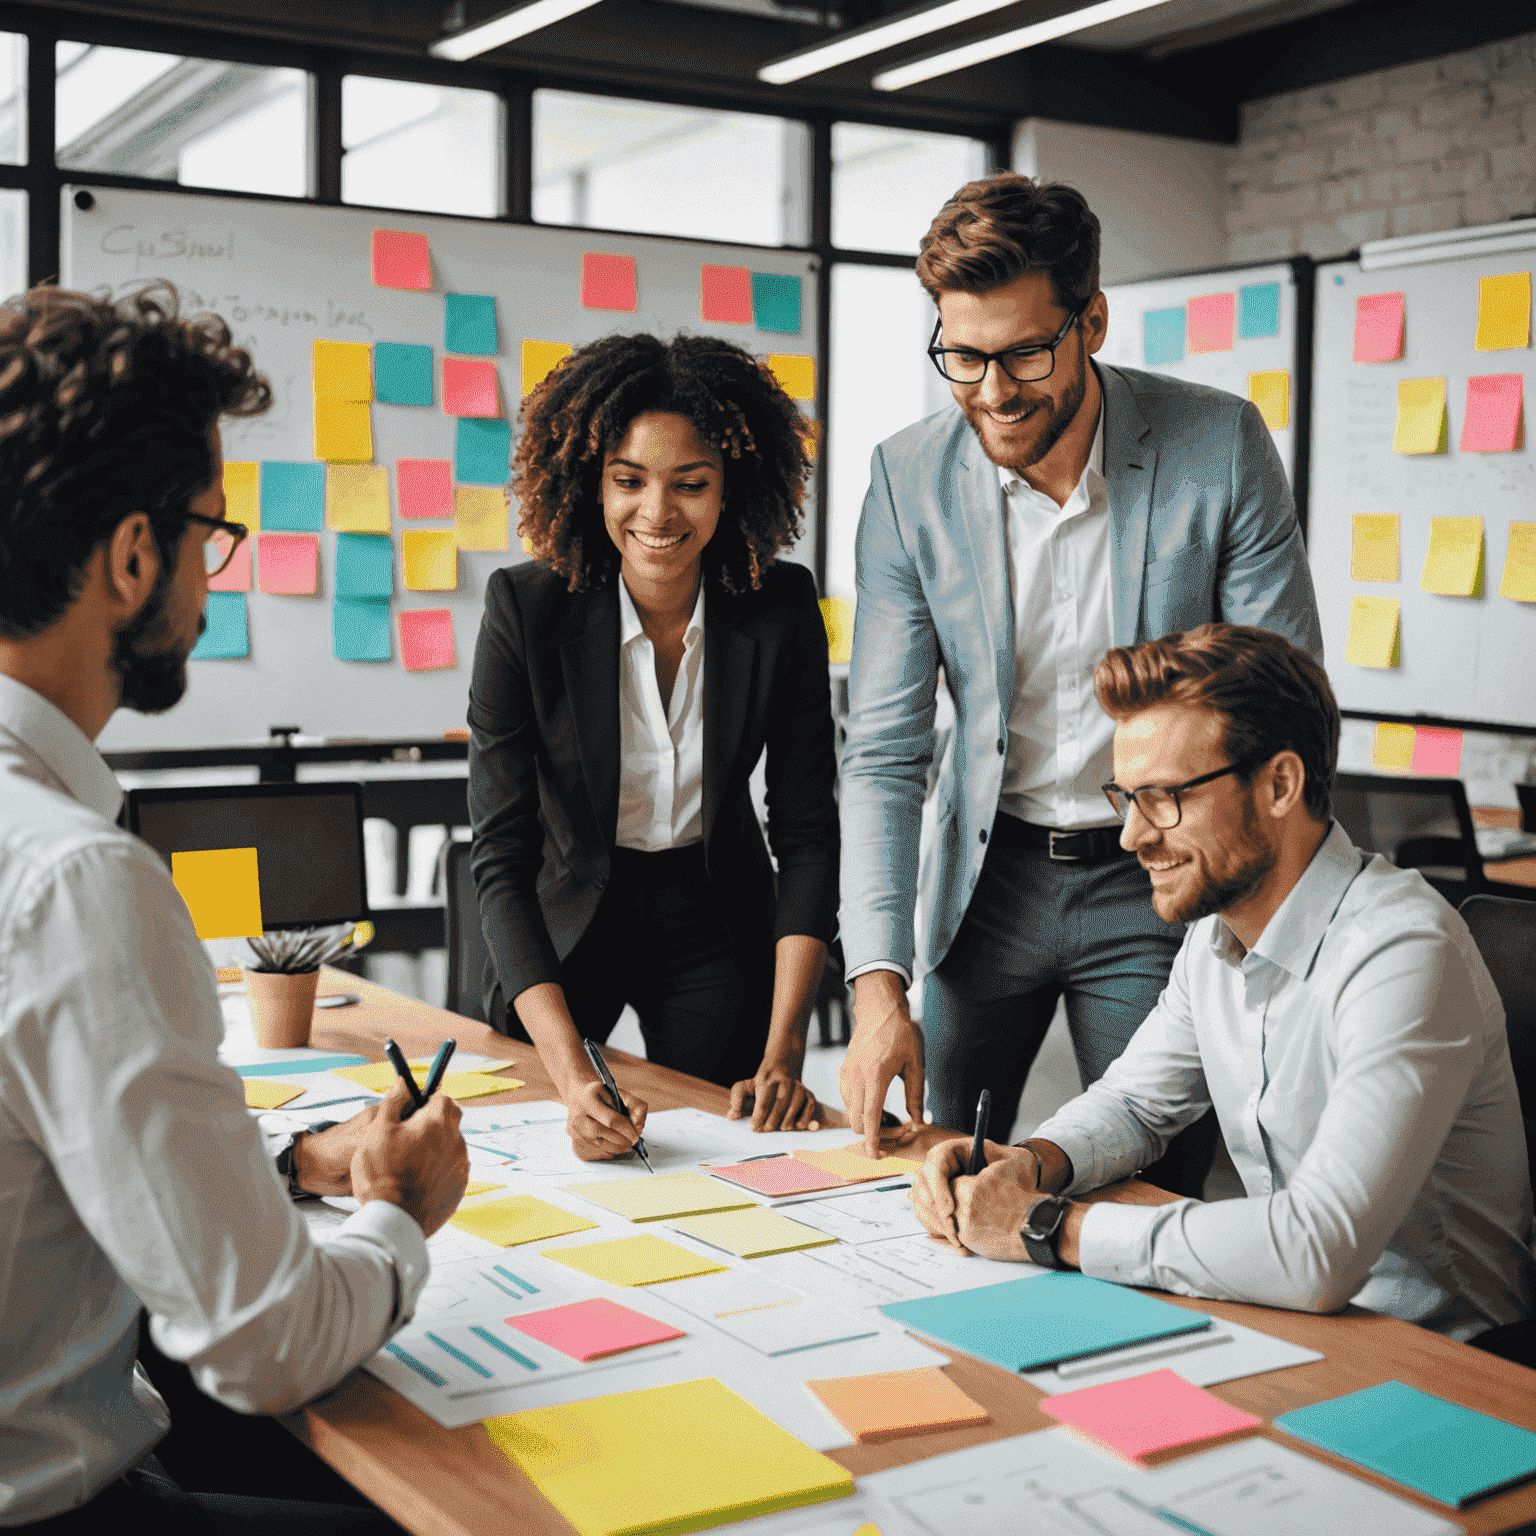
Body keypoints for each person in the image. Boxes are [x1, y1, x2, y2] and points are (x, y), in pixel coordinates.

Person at [0, 284, 470, 1532]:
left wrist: (279, 1164)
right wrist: (398, 1214)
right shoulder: (73, 879)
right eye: (212, 535)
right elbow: (264, 1344)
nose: (213, 581)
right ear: (132, 555)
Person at [837, 172, 1324, 1172]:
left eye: (1024, 351)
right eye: (961, 357)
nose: (993, 391)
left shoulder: (1216, 447)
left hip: (1154, 872)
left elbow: (1285, 705)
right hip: (988, 882)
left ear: (1090, 320)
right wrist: (877, 984)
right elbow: (885, 754)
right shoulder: (906, 480)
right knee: (933, 1167)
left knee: (1153, 1179)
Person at [911, 624, 1535, 1339]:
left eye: (1165, 798)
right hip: (1290, 1323)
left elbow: (1317, 1249)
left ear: (1279, 784)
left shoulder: (1402, 953)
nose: (1131, 837)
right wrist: (1026, 1165)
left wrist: (1048, 1226)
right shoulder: (1217, 936)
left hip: (1447, 1363)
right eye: (1127, 798)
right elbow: (1136, 1106)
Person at [469, 333, 839, 1160]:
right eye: (628, 481)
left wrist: (786, 1053)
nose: (658, 514)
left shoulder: (779, 607)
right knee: (537, 1143)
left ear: (730, 489)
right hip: (563, 913)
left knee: (720, 1147)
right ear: (590, 484)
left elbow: (807, 829)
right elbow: (499, 854)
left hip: (710, 912)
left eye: (691, 484)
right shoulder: (524, 610)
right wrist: (573, 1079)